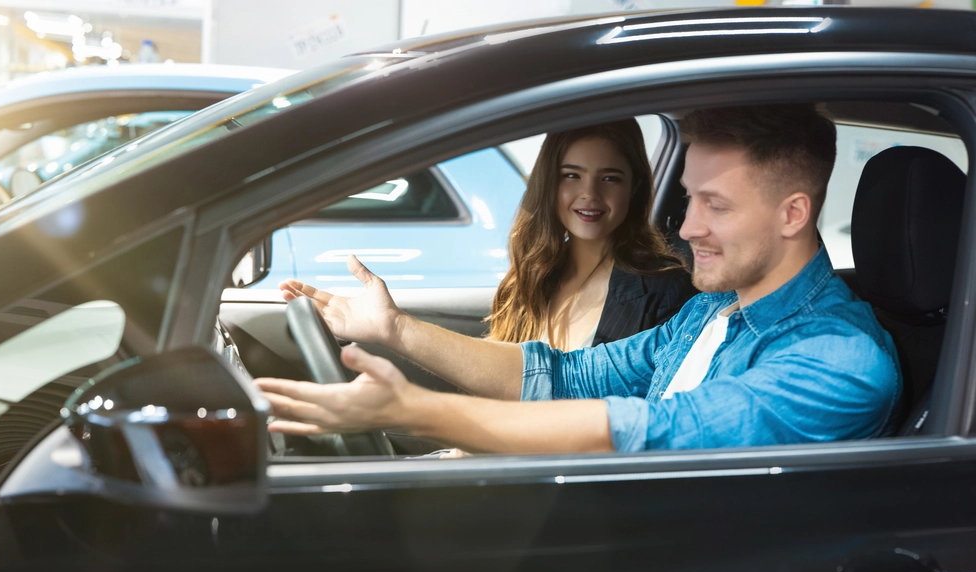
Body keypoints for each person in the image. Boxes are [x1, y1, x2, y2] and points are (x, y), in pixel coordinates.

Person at [255, 105, 901, 454]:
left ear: (793, 214)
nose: (688, 226)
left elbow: (649, 430)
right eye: (689, 198)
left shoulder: (841, 360)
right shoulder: (712, 311)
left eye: (716, 205)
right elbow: (565, 376)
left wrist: (416, 412)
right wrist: (395, 329)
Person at [488, 120, 694, 351]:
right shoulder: (527, 279)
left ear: (634, 187)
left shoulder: (668, 290)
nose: (590, 194)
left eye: (610, 178)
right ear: (548, 183)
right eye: (571, 175)